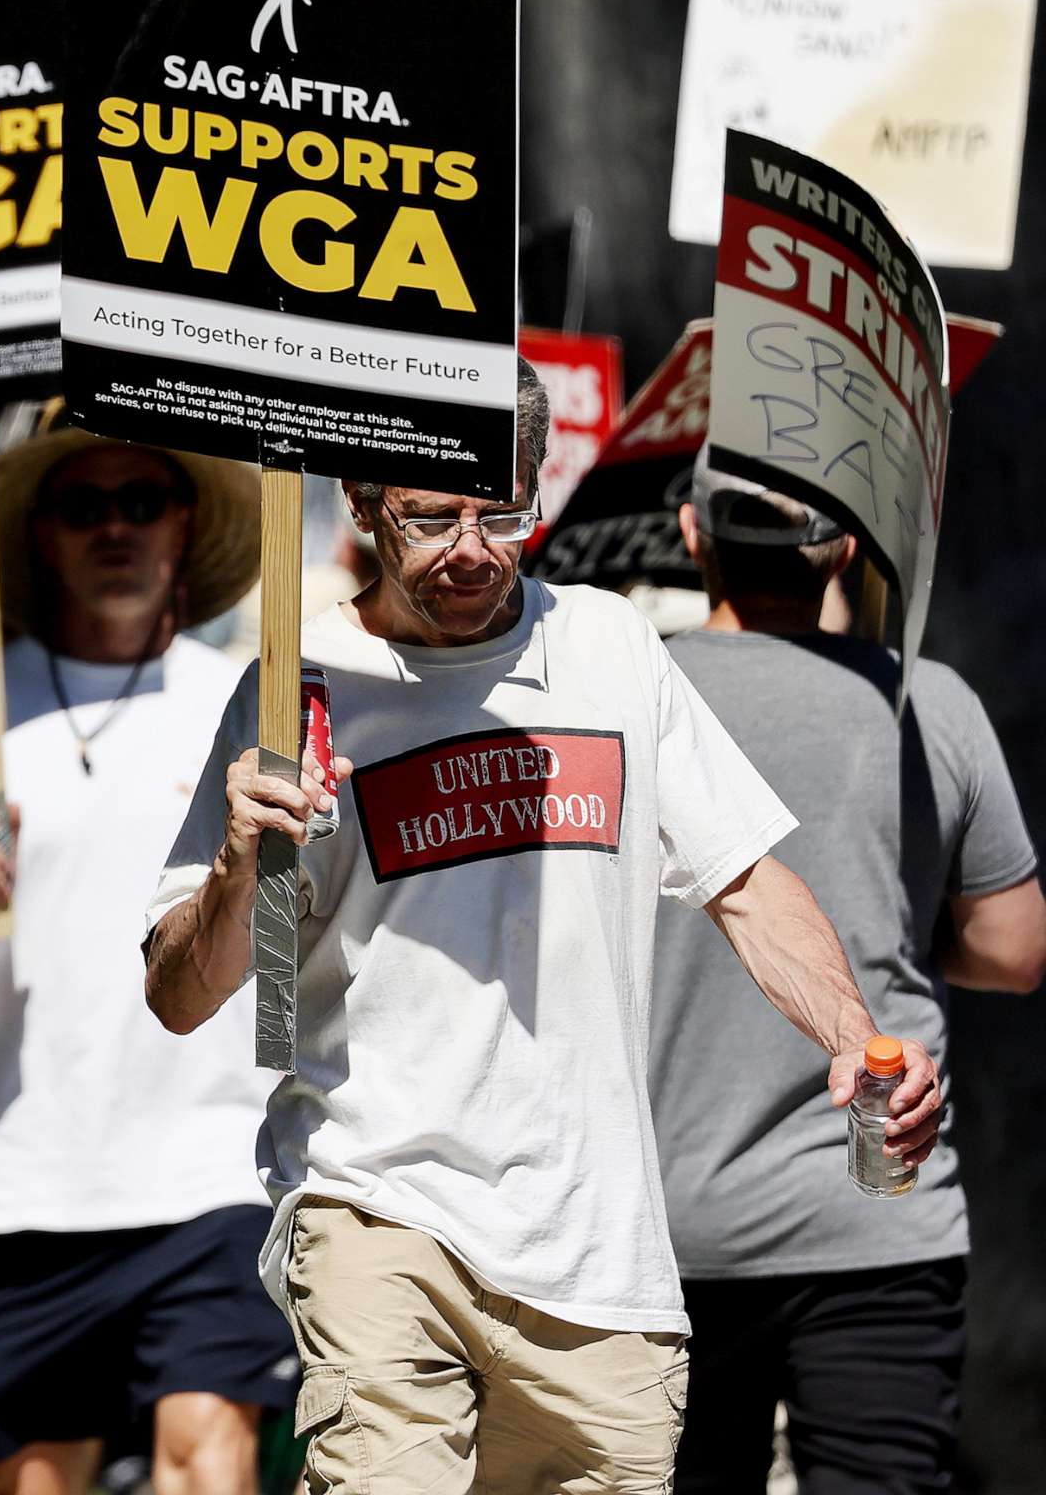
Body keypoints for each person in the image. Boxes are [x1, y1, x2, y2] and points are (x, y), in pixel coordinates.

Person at [141, 365, 947, 1493]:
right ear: (361, 503)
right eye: (431, 518)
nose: (472, 548)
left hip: (597, 1261)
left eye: (502, 511)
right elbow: (184, 994)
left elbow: (749, 884)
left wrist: (856, 1038)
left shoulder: (613, 645)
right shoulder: (298, 685)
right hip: (379, 1210)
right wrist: (238, 865)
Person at [0, 402, 289, 1495]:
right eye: (84, 505)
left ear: (185, 522)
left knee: (209, 1451)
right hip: (19, 1174)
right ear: (41, 533)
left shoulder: (253, 702)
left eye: (143, 500)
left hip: (213, 1165)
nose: (117, 527)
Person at [650, 455, 1044, 1494]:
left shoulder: (630, 699)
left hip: (667, 1232)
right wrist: (899, 927)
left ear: (693, 535)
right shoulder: (929, 704)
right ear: (846, 546)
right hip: (880, 1206)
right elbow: (1015, 948)